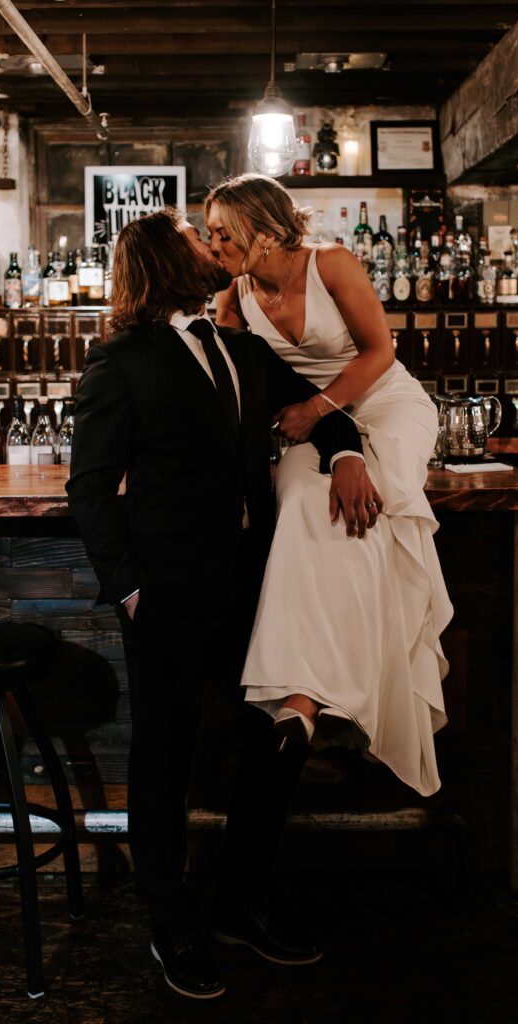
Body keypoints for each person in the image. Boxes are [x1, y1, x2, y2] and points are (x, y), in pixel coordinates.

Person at [66, 207, 380, 1001]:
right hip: (166, 593)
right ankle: (170, 919)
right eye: (195, 236)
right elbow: (90, 490)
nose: (214, 245)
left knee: (276, 737)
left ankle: (240, 903)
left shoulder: (241, 347)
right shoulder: (122, 361)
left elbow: (324, 411)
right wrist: (131, 592)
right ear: (163, 259)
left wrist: (344, 454)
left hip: (255, 585)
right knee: (163, 757)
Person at [206, 173, 453, 798]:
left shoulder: (332, 264)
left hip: (382, 404)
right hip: (308, 429)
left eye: (221, 234)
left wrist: (319, 411)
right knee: (294, 503)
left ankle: (328, 701)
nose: (213, 247)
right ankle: (302, 694)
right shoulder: (233, 298)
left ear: (263, 232)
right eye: (209, 236)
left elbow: (378, 352)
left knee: (372, 512)